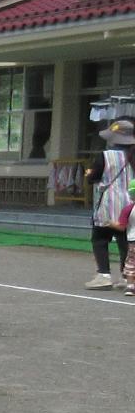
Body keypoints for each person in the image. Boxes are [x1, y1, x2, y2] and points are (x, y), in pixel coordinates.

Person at [84, 118, 134, 288]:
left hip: (109, 202)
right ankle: (128, 276)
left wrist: (89, 174)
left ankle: (104, 275)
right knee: (125, 240)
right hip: (130, 203)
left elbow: (93, 177)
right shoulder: (132, 155)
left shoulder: (105, 155)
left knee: (100, 238)